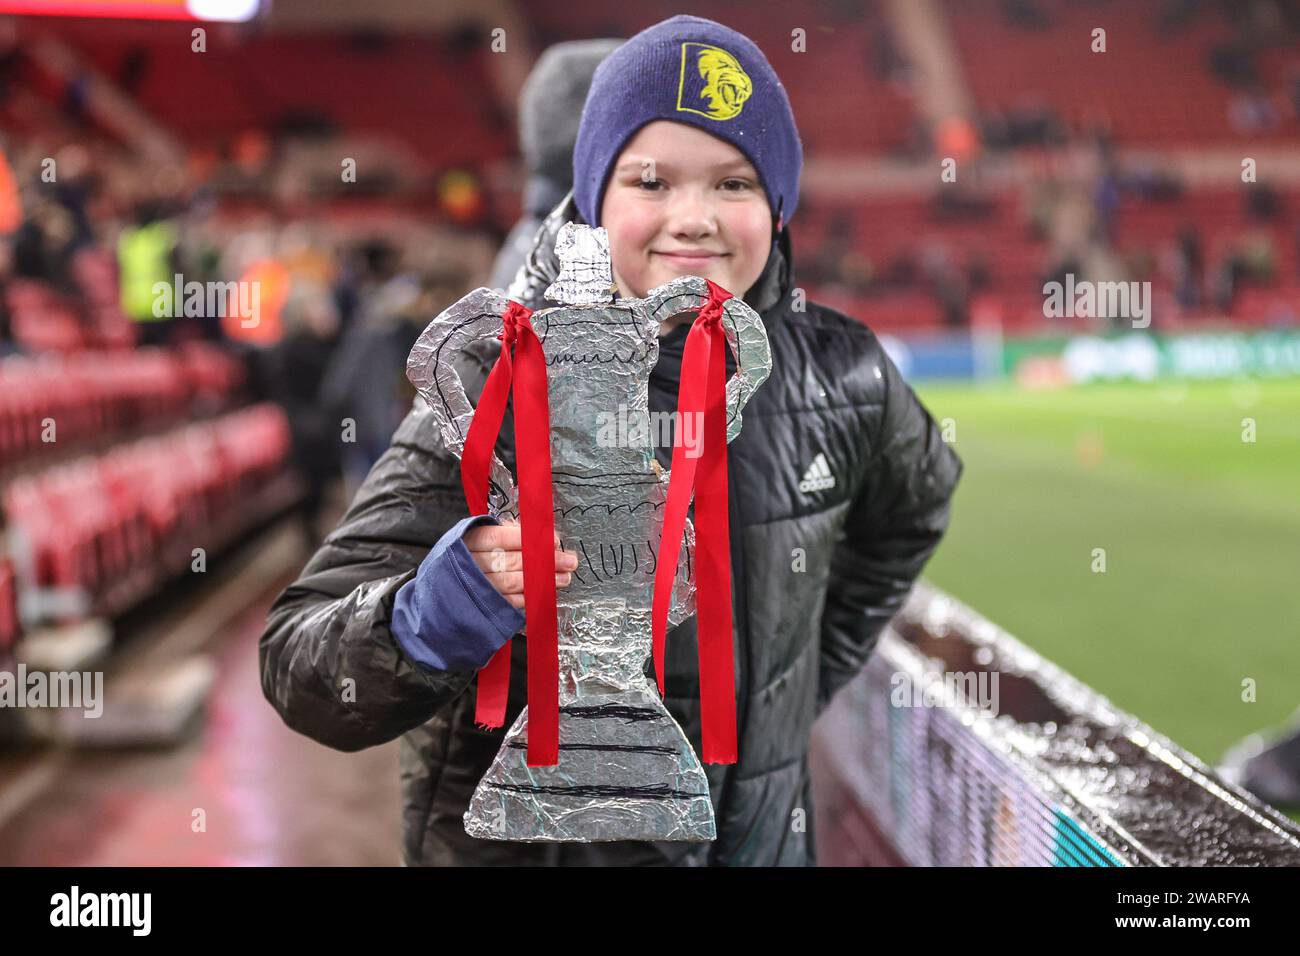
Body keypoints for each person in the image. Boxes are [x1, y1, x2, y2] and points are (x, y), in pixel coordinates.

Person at [260, 15, 963, 866]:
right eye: (652, 181)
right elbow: (301, 669)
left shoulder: (844, 371)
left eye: (734, 184)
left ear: (779, 206)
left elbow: (914, 510)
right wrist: (436, 611)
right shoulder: (499, 373)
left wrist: (796, 678)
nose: (694, 218)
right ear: (596, 197)